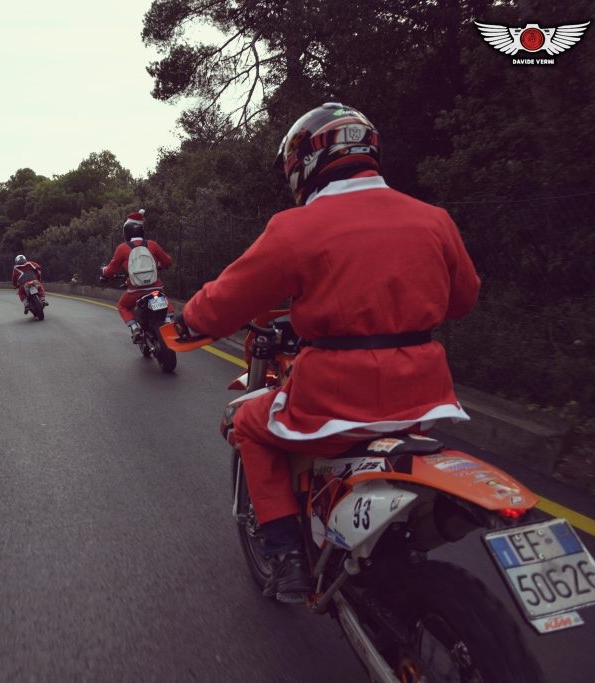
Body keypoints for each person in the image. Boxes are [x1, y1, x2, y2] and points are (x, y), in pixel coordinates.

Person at [175, 103, 480, 602]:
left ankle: (286, 555)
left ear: (305, 164)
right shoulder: (435, 219)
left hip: (336, 399)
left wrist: (188, 320)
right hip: (424, 398)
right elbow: (463, 300)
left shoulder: (297, 227)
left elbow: (225, 300)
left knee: (247, 424)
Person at [100, 210, 174, 343]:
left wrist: (105, 272)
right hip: (155, 287)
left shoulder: (122, 248)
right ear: (142, 231)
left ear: (126, 232)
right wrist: (160, 265)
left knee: (123, 306)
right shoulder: (152, 244)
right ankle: (169, 321)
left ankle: (135, 328)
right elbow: (167, 261)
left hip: (135, 290)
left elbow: (111, 270)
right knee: (165, 300)